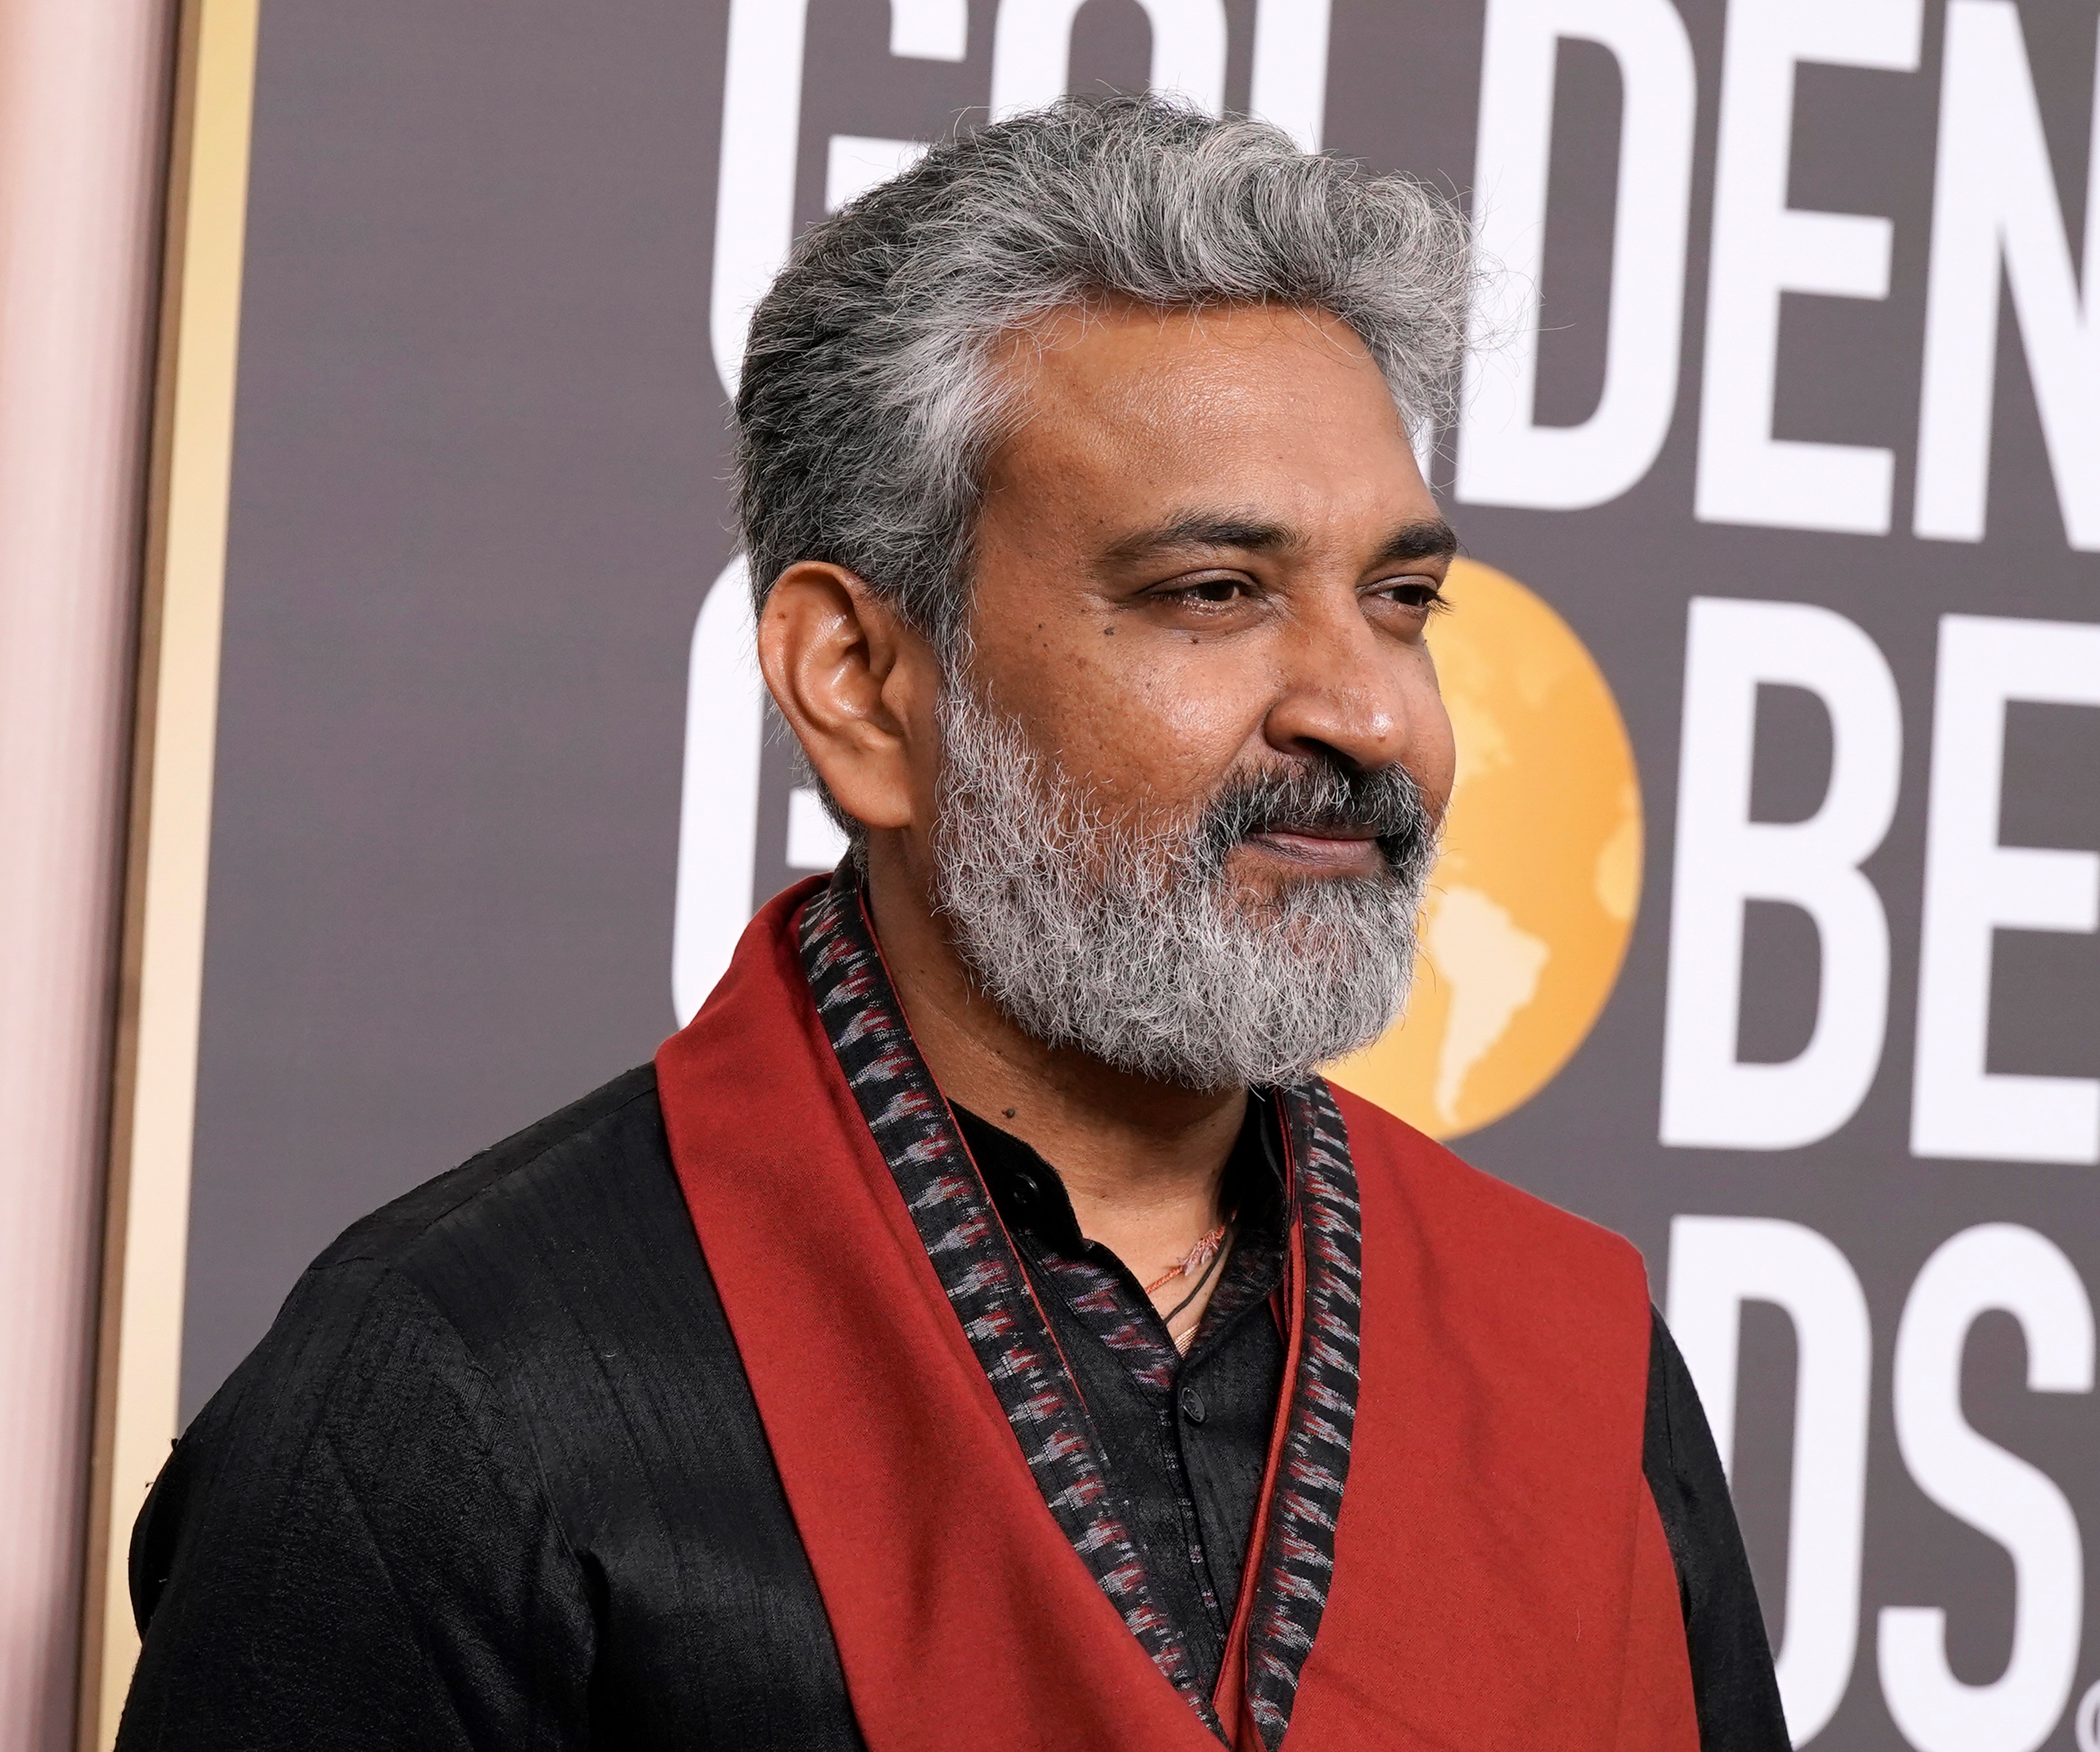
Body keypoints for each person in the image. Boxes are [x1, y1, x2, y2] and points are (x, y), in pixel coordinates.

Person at [116, 97, 1794, 1752]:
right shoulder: (462, 1389)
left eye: (1403, 601)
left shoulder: (1573, 1355)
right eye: (1215, 592)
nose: (1369, 715)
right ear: (859, 679)